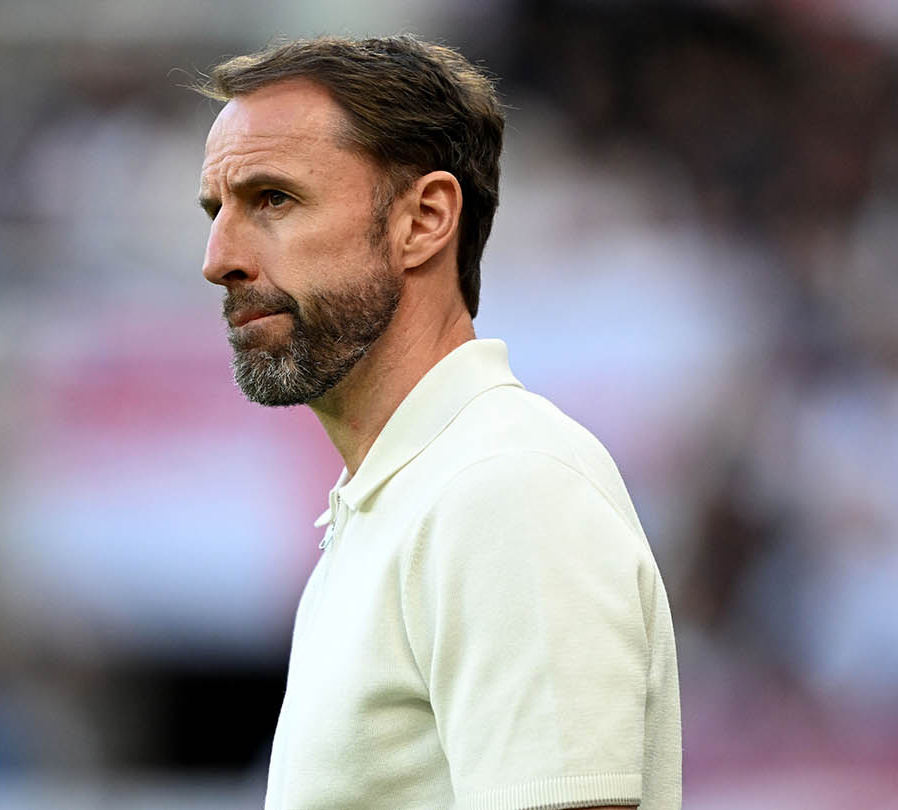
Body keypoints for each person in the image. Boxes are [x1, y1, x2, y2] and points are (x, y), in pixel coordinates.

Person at [195, 35, 680, 810]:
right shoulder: (407, 501)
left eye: (273, 200)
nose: (219, 258)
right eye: (218, 211)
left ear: (423, 220)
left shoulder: (503, 488)